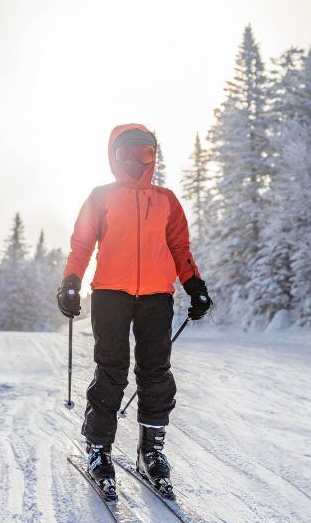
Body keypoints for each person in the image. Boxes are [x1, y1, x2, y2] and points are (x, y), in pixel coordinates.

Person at [56, 123, 212, 497]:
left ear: (153, 156)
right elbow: (81, 244)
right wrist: (71, 282)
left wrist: (195, 285)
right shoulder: (101, 196)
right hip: (110, 293)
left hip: (157, 296)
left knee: (156, 371)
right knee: (111, 370)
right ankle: (98, 449)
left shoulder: (166, 200)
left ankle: (151, 451)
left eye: (145, 153)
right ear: (114, 157)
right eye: (128, 154)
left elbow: (180, 248)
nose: (138, 161)